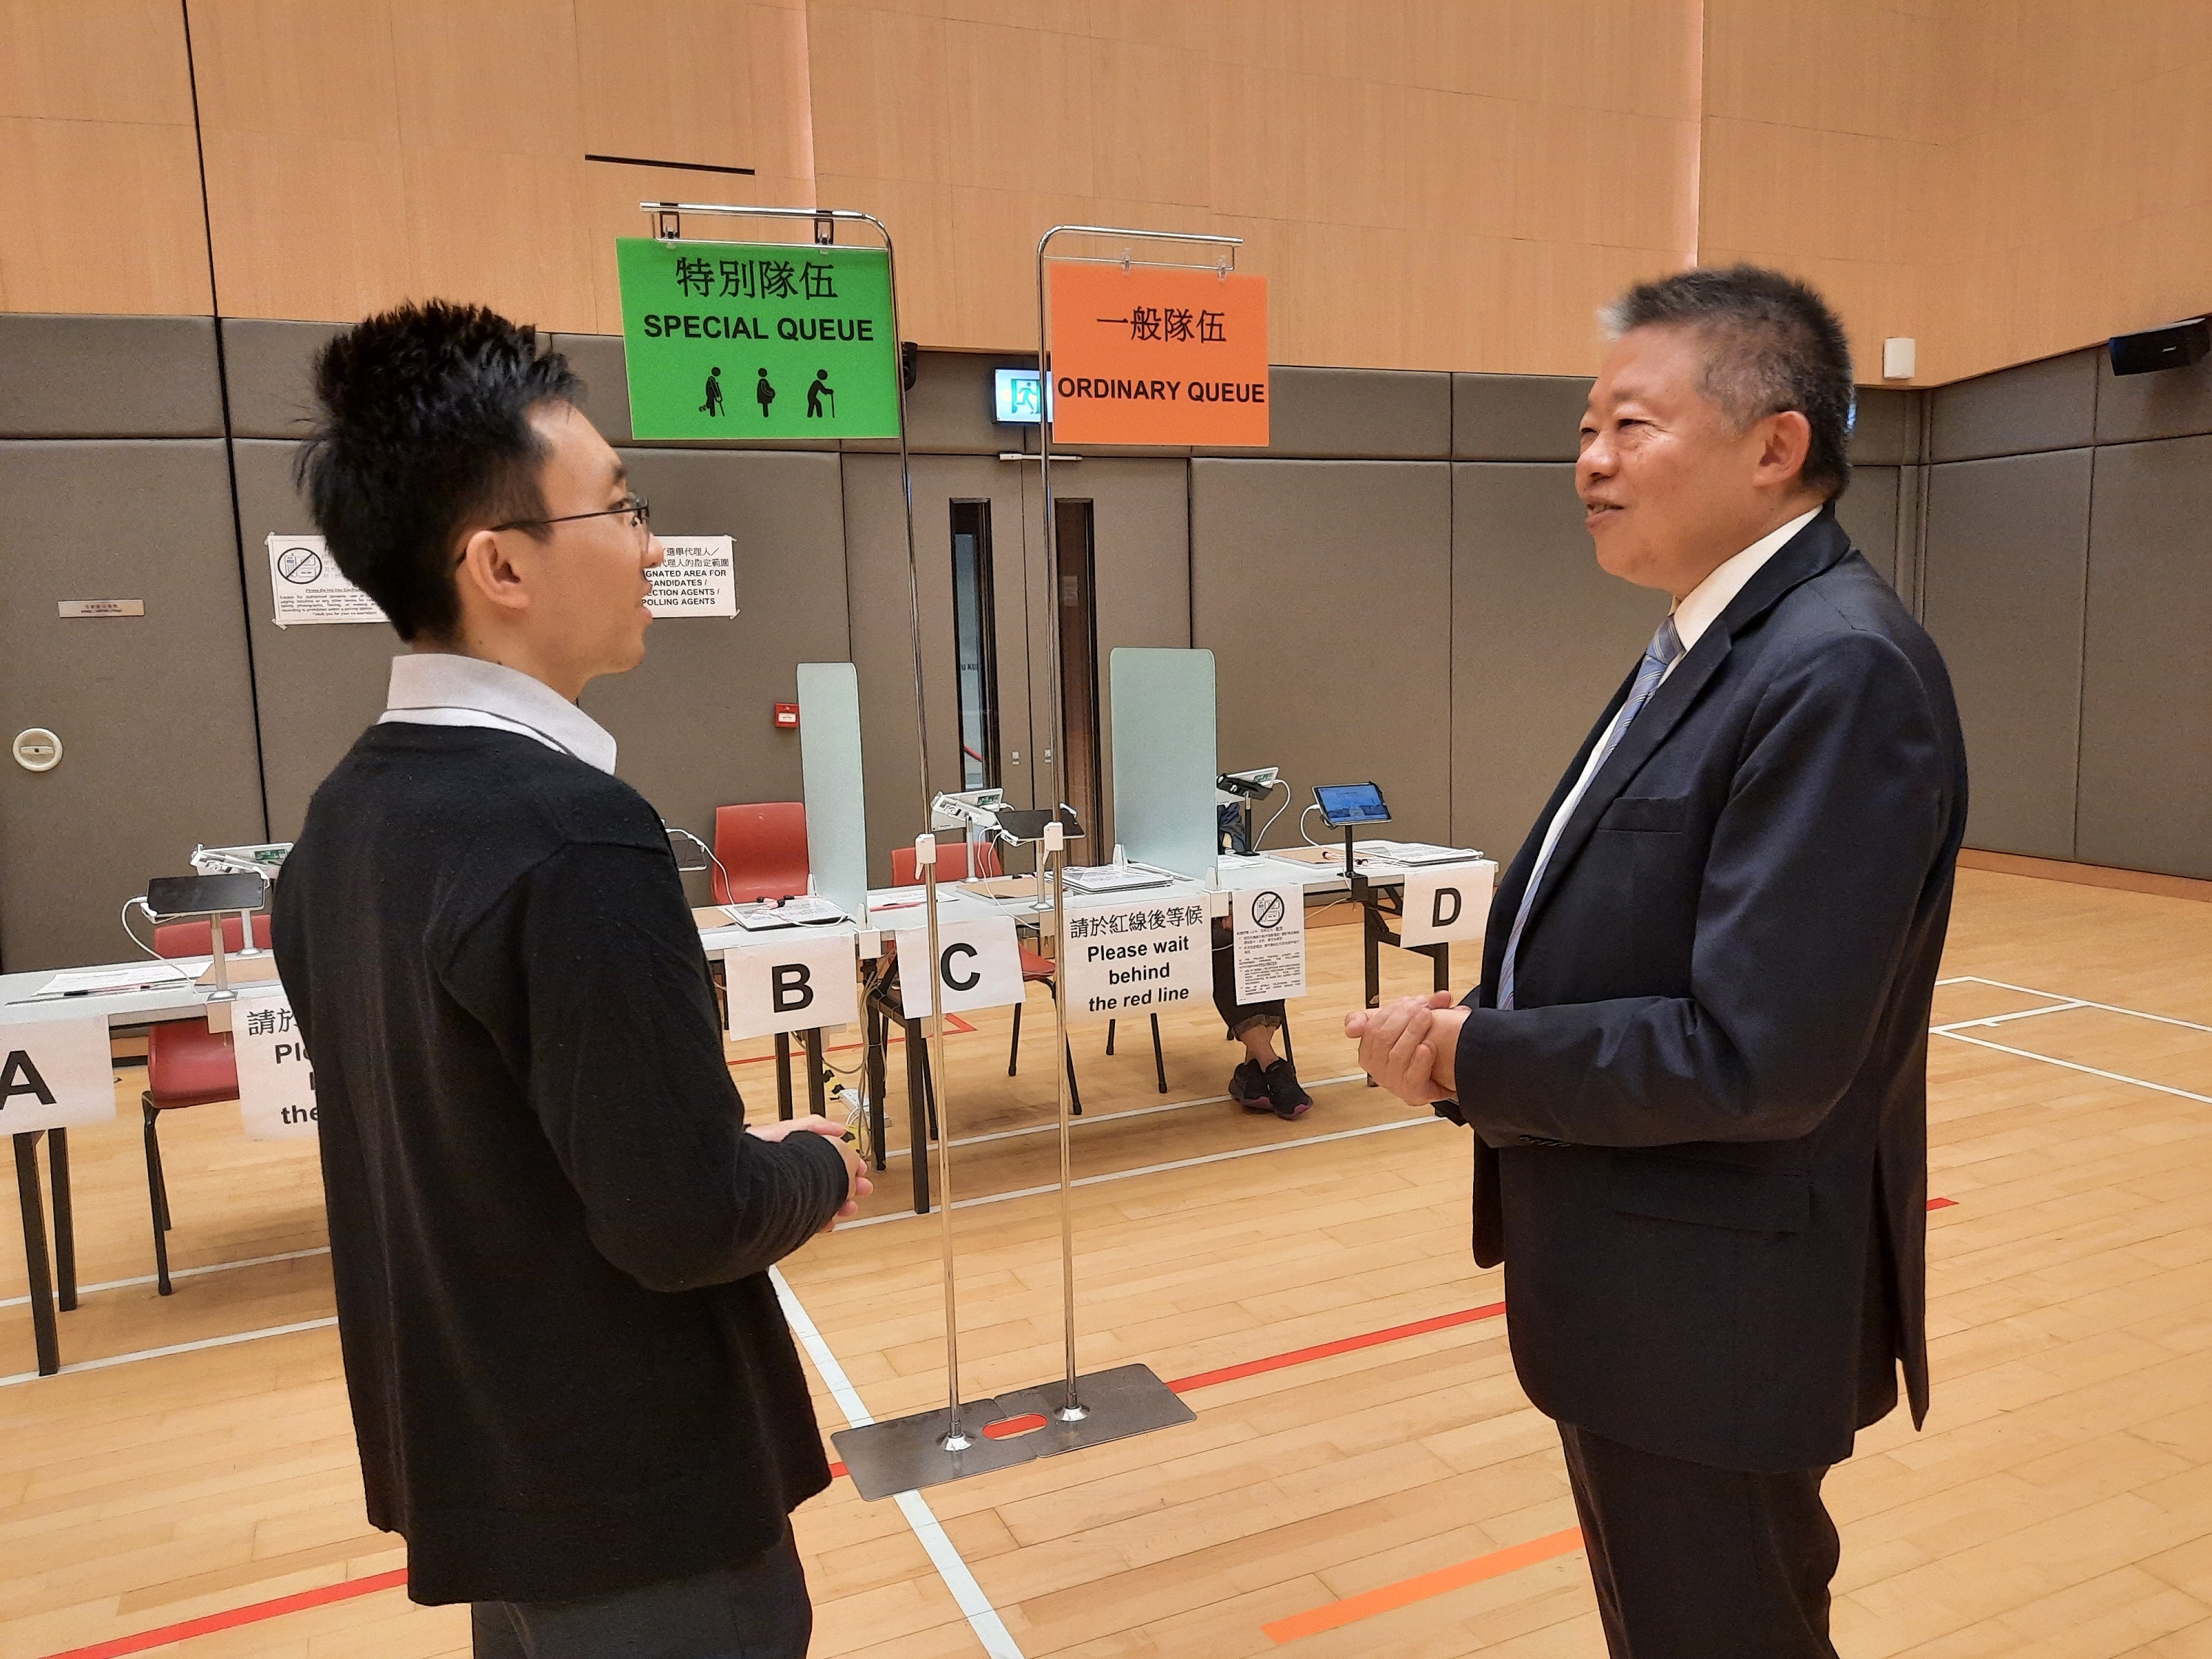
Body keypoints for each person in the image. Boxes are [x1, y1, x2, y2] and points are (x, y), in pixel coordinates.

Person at [1349, 266, 1966, 1658]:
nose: (1591, 461)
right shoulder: (1715, 641)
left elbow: (1759, 1052)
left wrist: (1473, 1058)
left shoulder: (1837, 669)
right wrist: (1492, 1016)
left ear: (1775, 445)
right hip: (1651, 1298)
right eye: (1584, 429)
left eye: (1630, 425)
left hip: (1719, 1319)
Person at [272, 301, 867, 1659]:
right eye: (618, 509)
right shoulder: (572, 834)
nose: (652, 547)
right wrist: (812, 1167)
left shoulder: (341, 825)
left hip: (495, 1477)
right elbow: (679, 1218)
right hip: (639, 1501)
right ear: (502, 565)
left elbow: (511, 1158)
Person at [1211, 922, 1310, 1118]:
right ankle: (1272, 1066)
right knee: (1223, 943)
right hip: (1191, 921)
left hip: (1243, 906)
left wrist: (1242, 909)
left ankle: (1252, 1072)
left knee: (1270, 937)